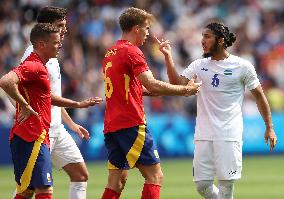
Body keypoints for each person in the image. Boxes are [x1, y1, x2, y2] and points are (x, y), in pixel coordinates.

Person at [163, 22, 277, 199]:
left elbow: (260, 96)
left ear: (221, 40)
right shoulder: (199, 65)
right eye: (202, 36)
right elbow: (177, 85)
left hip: (228, 133)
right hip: (203, 133)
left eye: (207, 36)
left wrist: (269, 126)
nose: (202, 40)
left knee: (226, 185)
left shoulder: (242, 66)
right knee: (202, 185)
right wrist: (168, 57)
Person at [101, 7, 201, 199]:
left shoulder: (110, 52)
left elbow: (125, 87)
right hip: (130, 122)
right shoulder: (132, 51)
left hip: (112, 124)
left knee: (116, 182)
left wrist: (144, 92)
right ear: (136, 28)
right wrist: (185, 90)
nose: (148, 33)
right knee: (155, 177)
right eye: (146, 28)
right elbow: (153, 84)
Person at [16, 6, 103, 199]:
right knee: (29, 189)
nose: (64, 30)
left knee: (80, 175)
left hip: (57, 128)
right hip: (40, 131)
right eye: (60, 25)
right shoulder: (34, 55)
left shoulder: (52, 53)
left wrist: (71, 124)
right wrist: (24, 104)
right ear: (46, 27)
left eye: (65, 25)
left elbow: (50, 95)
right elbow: (16, 85)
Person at [0, 23, 61, 199]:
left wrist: (77, 104)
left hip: (31, 135)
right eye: (56, 42)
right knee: (44, 190)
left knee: (26, 191)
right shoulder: (34, 65)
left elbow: (47, 98)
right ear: (42, 44)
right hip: (31, 136)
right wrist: (24, 105)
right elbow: (5, 81)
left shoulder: (39, 66)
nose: (60, 45)